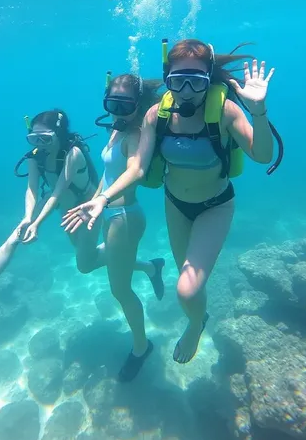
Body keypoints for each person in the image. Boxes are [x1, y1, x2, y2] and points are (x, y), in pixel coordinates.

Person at [61, 39, 279, 365]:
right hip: (175, 206)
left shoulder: (224, 110)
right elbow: (136, 167)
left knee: (187, 291)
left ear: (209, 79)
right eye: (178, 82)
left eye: (197, 81)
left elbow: (263, 156)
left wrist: (258, 111)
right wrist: (103, 198)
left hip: (215, 206)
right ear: (167, 80)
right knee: (185, 280)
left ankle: (195, 325)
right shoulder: (156, 115)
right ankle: (197, 315)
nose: (187, 91)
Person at [0, 109, 105, 331]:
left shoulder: (73, 153)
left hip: (85, 207)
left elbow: (59, 189)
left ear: (59, 134)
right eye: (34, 138)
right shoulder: (35, 156)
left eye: (45, 138)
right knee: (14, 237)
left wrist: (37, 223)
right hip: (62, 205)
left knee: (85, 264)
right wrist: (27, 218)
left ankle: (133, 258)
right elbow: (32, 189)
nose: (40, 143)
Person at [62, 72, 166, 382]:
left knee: (120, 290)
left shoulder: (135, 135)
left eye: (125, 105)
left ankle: (141, 348)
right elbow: (108, 176)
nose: (118, 112)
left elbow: (136, 169)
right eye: (112, 104)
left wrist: (103, 200)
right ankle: (151, 267)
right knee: (86, 264)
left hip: (124, 218)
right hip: (106, 211)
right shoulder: (115, 131)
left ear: (137, 104)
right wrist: (90, 204)